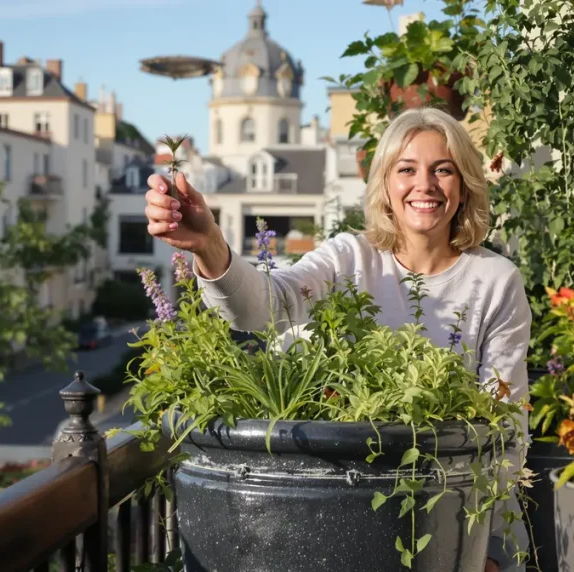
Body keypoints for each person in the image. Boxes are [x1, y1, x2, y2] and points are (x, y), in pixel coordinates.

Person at [144, 107, 531, 572]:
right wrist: (208, 245)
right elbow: (266, 306)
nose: (424, 185)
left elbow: (505, 426)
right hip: (342, 513)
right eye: (406, 169)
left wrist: (485, 547)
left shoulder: (496, 280)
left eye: (442, 170)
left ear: (464, 182)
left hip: (446, 522)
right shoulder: (349, 259)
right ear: (385, 184)